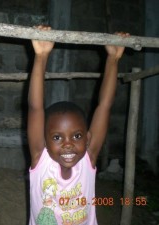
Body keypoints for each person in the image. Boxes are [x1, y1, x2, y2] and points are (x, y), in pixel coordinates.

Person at [27, 25, 129, 225]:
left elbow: (104, 106)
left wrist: (113, 59)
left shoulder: (87, 160)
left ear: (88, 138)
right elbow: (35, 107)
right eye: (57, 137)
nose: (68, 144)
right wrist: (41, 56)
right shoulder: (41, 161)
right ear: (44, 140)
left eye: (77, 136)